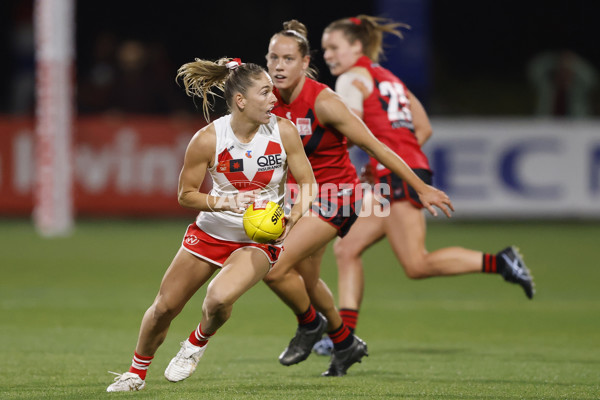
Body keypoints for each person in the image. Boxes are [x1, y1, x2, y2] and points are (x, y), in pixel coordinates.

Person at [311, 15, 535, 355]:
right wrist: (391, 159)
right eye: (324, 48)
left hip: (399, 179)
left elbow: (348, 127)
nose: (327, 54)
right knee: (347, 248)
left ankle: (501, 262)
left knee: (416, 264)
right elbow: (423, 127)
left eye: (333, 47)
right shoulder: (389, 79)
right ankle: (343, 337)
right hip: (399, 173)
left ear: (356, 46)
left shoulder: (349, 79)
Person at [106, 57, 317, 392]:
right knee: (164, 307)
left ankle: (195, 343)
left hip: (260, 238)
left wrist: (295, 214)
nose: (274, 99)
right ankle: (135, 373)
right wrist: (225, 201)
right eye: (265, 93)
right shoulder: (207, 139)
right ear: (241, 101)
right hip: (211, 231)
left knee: (218, 299)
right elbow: (185, 195)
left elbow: (308, 183)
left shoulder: (283, 131)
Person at [260, 20, 454, 376]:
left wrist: (420, 186)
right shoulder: (266, 100)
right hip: (301, 200)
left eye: (288, 58)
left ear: (305, 63)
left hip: (338, 197)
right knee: (306, 280)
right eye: (273, 57)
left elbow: (377, 146)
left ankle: (309, 325)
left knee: (273, 267)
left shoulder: (325, 102)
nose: (279, 65)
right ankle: (346, 342)